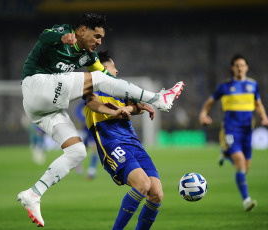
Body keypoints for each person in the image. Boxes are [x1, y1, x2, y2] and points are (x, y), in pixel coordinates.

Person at [17, 12, 184, 227]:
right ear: (82, 30)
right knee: (97, 79)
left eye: (101, 38)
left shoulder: (87, 56)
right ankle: (160, 99)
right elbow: (44, 37)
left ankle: (33, 194)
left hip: (46, 110)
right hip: (36, 86)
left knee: (77, 151)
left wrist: (136, 100)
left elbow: (110, 80)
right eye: (96, 36)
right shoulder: (63, 31)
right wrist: (63, 37)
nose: (99, 42)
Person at [84, 51, 165, 230]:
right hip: (111, 143)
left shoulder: (120, 90)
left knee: (157, 193)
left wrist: (129, 107)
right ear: (104, 69)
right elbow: (92, 104)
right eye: (114, 67)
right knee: (142, 184)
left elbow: (138, 108)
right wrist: (118, 110)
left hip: (133, 142)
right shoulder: (90, 88)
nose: (117, 71)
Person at [199, 54, 268, 212]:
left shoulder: (253, 85)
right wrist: (203, 115)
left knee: (245, 167)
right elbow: (209, 102)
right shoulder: (225, 86)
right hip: (231, 129)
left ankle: (225, 152)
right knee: (240, 161)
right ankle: (246, 200)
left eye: (242, 65)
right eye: (237, 65)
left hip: (247, 130)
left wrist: (263, 116)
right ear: (232, 68)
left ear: (246, 67)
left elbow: (258, 103)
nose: (239, 68)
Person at [74, 100, 99, 179]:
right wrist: (84, 119)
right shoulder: (88, 98)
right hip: (87, 128)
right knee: (84, 148)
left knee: (95, 148)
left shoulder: (102, 97)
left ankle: (91, 170)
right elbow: (78, 110)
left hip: (96, 128)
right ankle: (78, 163)